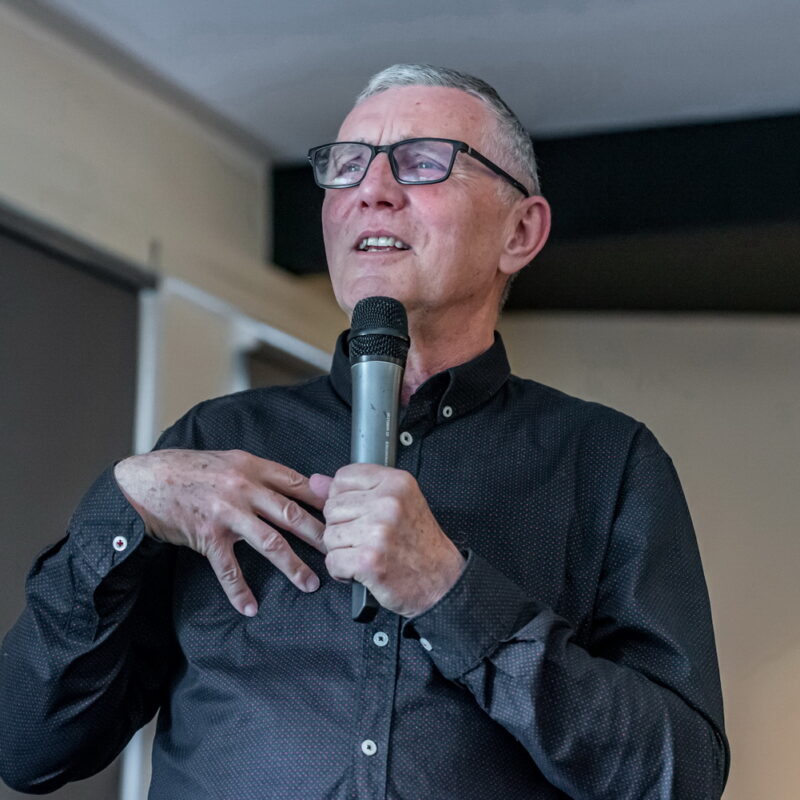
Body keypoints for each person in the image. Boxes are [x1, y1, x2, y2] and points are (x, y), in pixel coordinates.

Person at [0, 64, 729, 799]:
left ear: (520, 231)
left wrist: (451, 593)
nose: (371, 190)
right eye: (348, 165)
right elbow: (26, 747)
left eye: (423, 161)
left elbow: (680, 778)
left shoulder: (607, 463)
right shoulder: (217, 439)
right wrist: (123, 505)